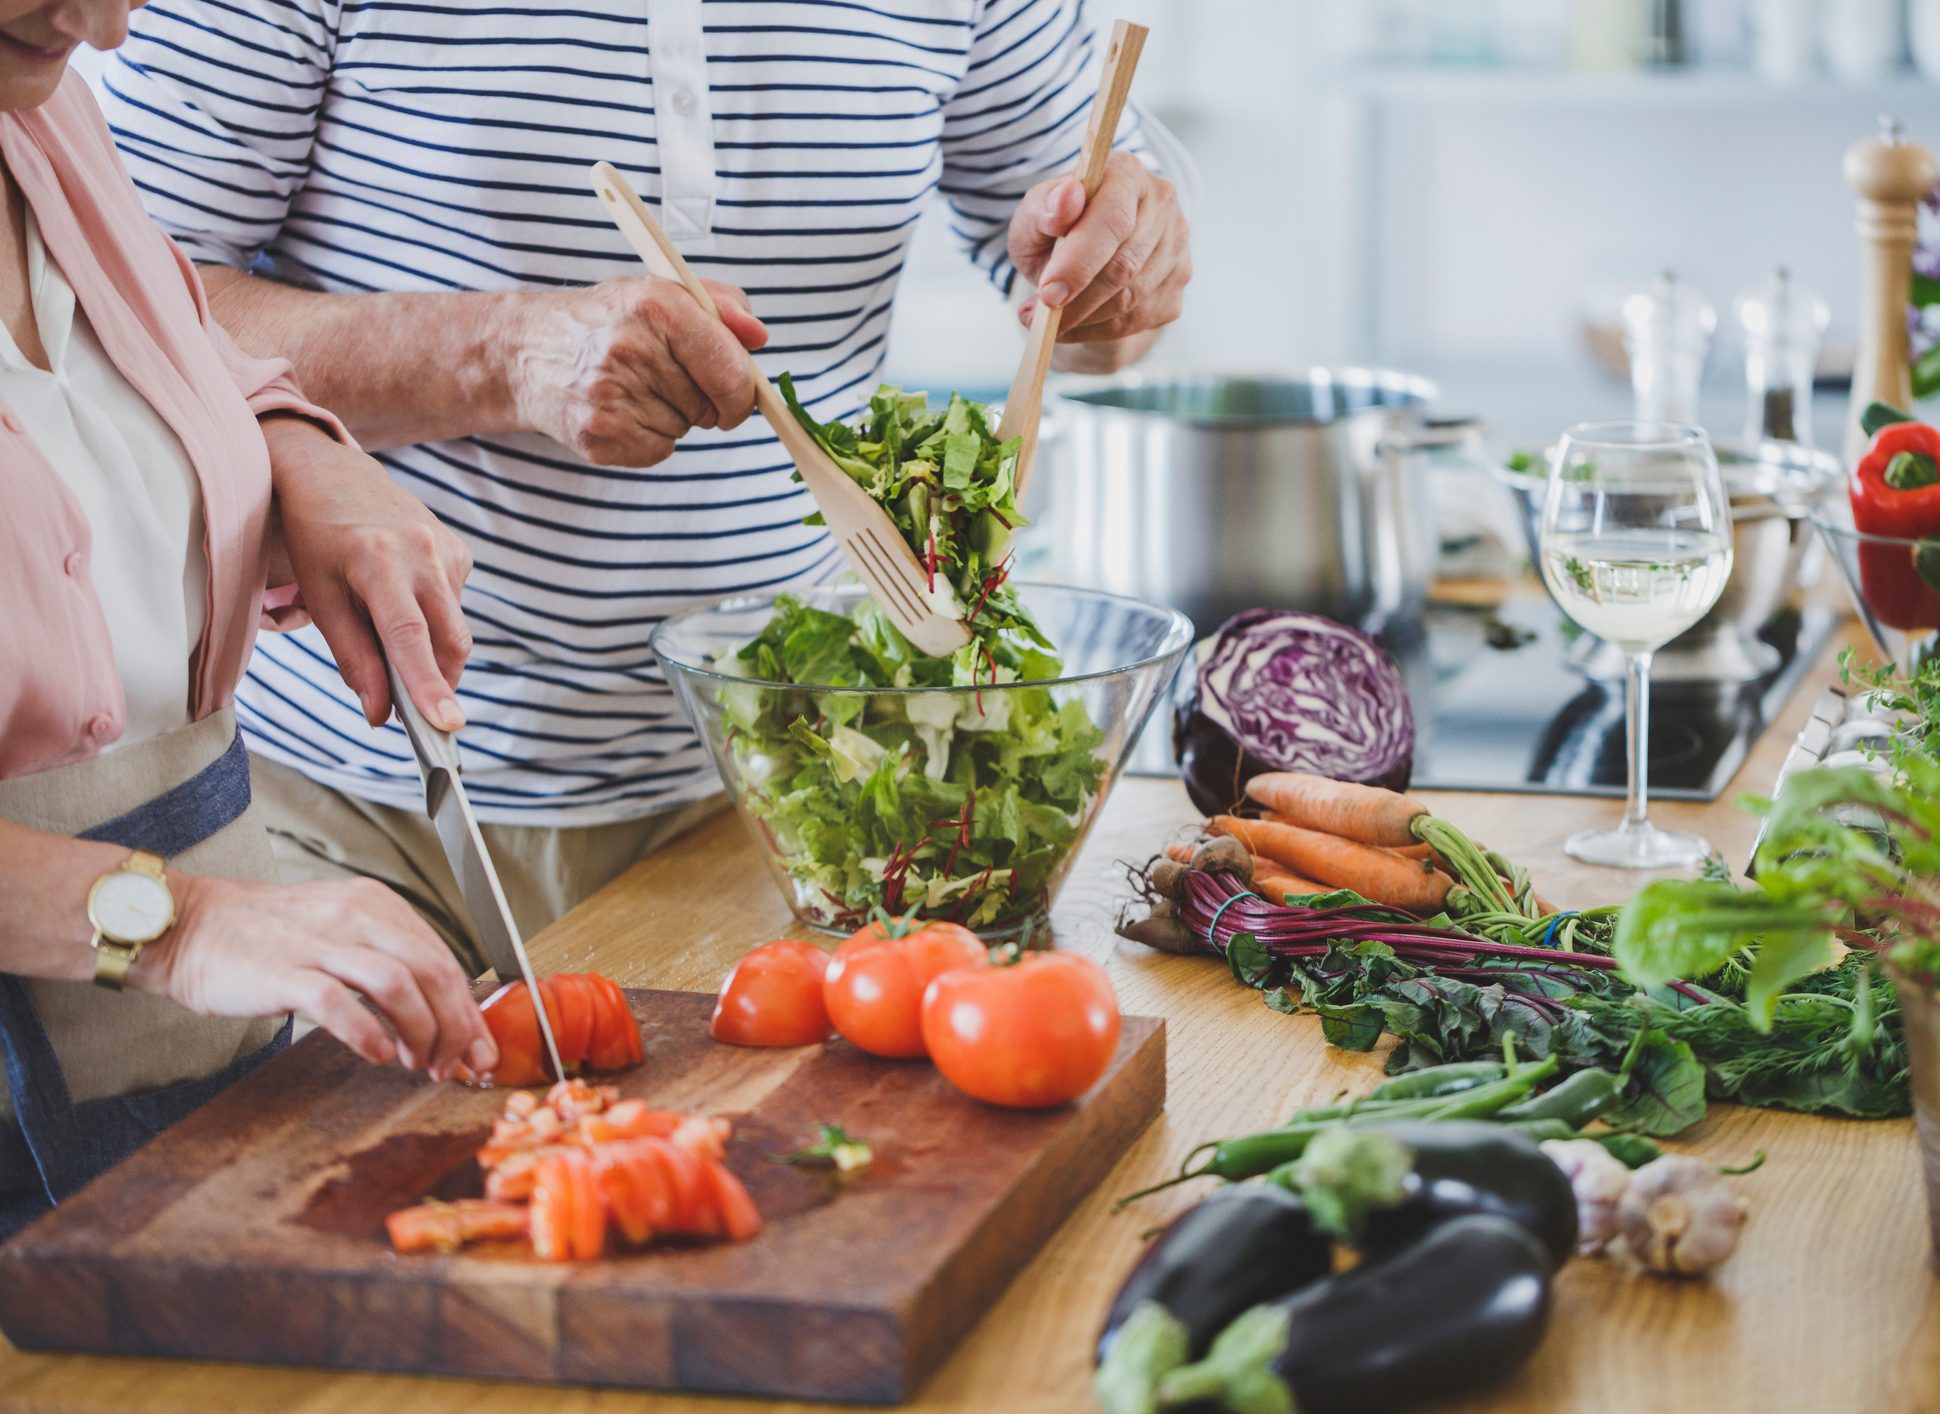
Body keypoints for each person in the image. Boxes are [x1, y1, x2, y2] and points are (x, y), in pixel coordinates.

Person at [92, 0, 1194, 968]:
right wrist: (502, 354)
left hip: (781, 802)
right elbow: (101, 300)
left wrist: (1123, 267)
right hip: (355, 800)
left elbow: (1090, 308)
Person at [0, 0, 493, 1238]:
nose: (105, 26)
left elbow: (167, 353)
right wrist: (180, 923)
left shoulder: (43, 113)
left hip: (191, 1081)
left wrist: (292, 450)